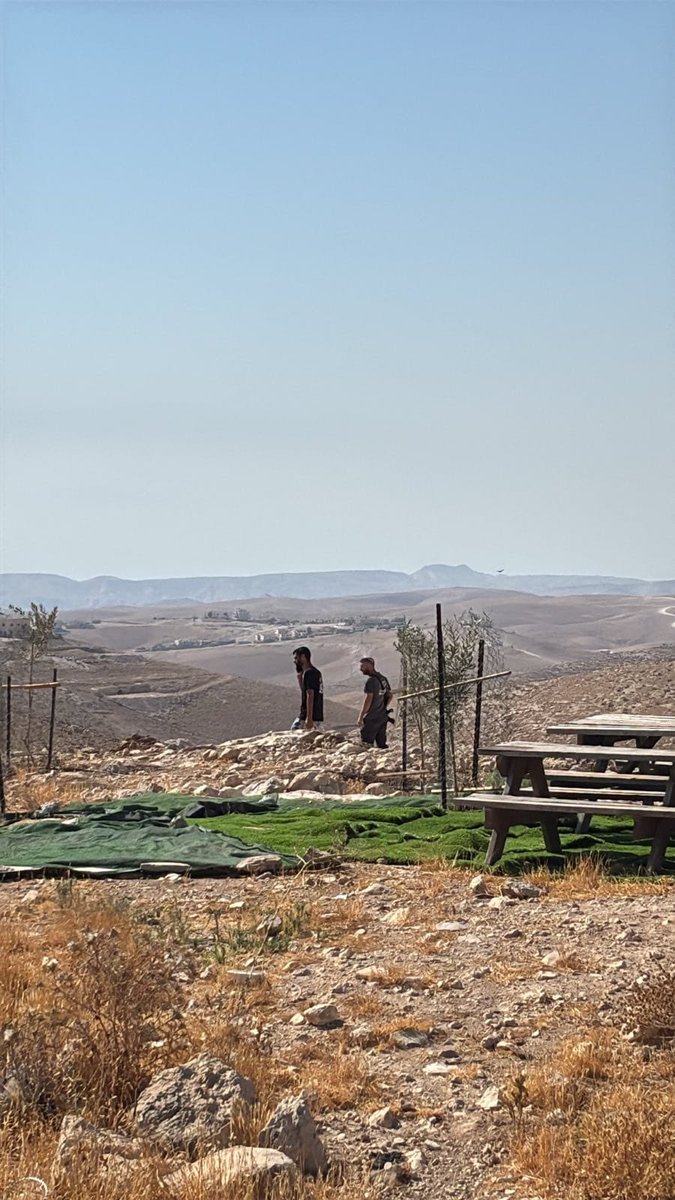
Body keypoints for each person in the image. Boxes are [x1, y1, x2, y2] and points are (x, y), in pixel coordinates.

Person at [358, 657, 392, 748]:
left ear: (369, 666)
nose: (360, 669)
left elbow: (368, 699)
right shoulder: (383, 679)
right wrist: (382, 707)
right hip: (382, 717)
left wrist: (361, 716)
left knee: (366, 744)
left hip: (372, 718)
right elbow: (390, 695)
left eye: (362, 666)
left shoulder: (371, 681)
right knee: (381, 745)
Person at [291, 646, 324, 731]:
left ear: (303, 657)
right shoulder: (315, 672)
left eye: (296, 658)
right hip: (315, 715)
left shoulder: (310, 673)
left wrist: (309, 718)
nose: (295, 661)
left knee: (294, 734)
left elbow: (310, 694)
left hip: (309, 716)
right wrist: (300, 679)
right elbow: (305, 692)